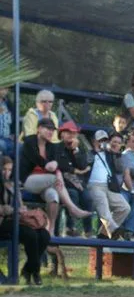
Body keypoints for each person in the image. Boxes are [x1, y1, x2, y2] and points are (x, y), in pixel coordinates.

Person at [20, 118, 91, 236]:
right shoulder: (30, 141)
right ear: (38, 129)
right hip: (28, 180)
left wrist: (57, 171)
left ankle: (50, 230)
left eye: (52, 129)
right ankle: (73, 209)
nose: (50, 132)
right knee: (56, 180)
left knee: (53, 197)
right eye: (47, 129)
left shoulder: (51, 147)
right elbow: (37, 159)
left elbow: (58, 165)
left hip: (47, 183)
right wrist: (50, 167)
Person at [0, 156, 50, 285]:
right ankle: (36, 272)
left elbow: (20, 204)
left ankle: (28, 269)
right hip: (3, 222)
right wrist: (12, 210)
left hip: (17, 219)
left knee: (44, 235)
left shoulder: (12, 184)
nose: (7, 172)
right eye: (4, 169)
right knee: (30, 234)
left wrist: (21, 209)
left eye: (9, 169)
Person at [87, 131, 130, 239]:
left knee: (124, 208)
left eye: (105, 140)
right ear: (94, 141)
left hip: (110, 186)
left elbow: (120, 168)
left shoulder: (110, 155)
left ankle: (103, 234)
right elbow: (84, 163)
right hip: (94, 185)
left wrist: (115, 153)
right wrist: (96, 151)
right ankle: (113, 229)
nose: (103, 142)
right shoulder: (89, 153)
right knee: (103, 204)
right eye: (100, 140)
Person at [55, 121, 93, 238]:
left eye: (74, 133)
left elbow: (83, 165)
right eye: (68, 133)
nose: (72, 136)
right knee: (73, 194)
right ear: (61, 134)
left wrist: (76, 151)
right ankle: (70, 227)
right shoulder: (57, 148)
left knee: (88, 198)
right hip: (64, 183)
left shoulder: (79, 150)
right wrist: (76, 171)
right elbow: (62, 166)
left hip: (79, 183)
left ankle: (88, 230)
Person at [106, 130, 134, 241]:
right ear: (108, 142)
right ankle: (115, 230)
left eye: (118, 142)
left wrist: (132, 190)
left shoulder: (122, 158)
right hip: (107, 188)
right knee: (123, 200)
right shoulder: (104, 155)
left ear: (121, 144)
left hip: (119, 189)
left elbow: (126, 176)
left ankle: (129, 231)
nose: (115, 144)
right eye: (113, 141)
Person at [0, 87, 14, 157]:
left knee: (21, 147)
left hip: (8, 139)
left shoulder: (8, 104)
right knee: (2, 145)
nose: (5, 91)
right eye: (3, 88)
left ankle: (10, 166)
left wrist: (13, 133)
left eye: (7, 89)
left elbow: (13, 121)